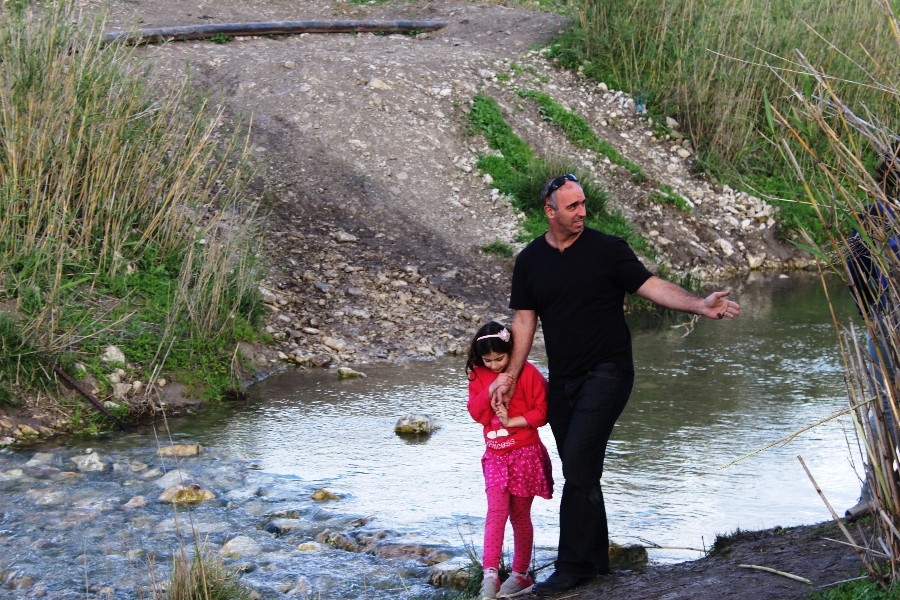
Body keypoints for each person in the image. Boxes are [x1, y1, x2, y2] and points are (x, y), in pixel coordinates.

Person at [497, 173, 741, 595]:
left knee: (577, 463)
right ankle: (595, 563)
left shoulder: (608, 249)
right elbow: (524, 320)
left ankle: (571, 568)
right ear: (549, 211)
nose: (582, 213)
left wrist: (698, 305)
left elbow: (651, 286)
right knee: (583, 470)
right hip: (564, 380)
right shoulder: (530, 260)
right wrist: (510, 375)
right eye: (572, 206)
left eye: (584, 204)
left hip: (608, 372)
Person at [466, 321, 555, 599]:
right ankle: (490, 574)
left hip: (525, 454)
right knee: (495, 512)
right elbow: (476, 413)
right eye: (487, 360)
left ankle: (520, 574)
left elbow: (542, 413)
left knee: (519, 516)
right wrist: (491, 386)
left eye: (500, 359)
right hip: (495, 455)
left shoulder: (528, 374)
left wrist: (512, 420)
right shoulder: (479, 376)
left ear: (511, 351)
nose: (493, 365)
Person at [844, 149, 900, 521]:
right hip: (886, 320)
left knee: (884, 407)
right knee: (884, 407)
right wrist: (876, 313)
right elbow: (855, 269)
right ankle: (876, 491)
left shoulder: (874, 212)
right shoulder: (874, 214)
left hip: (882, 318)